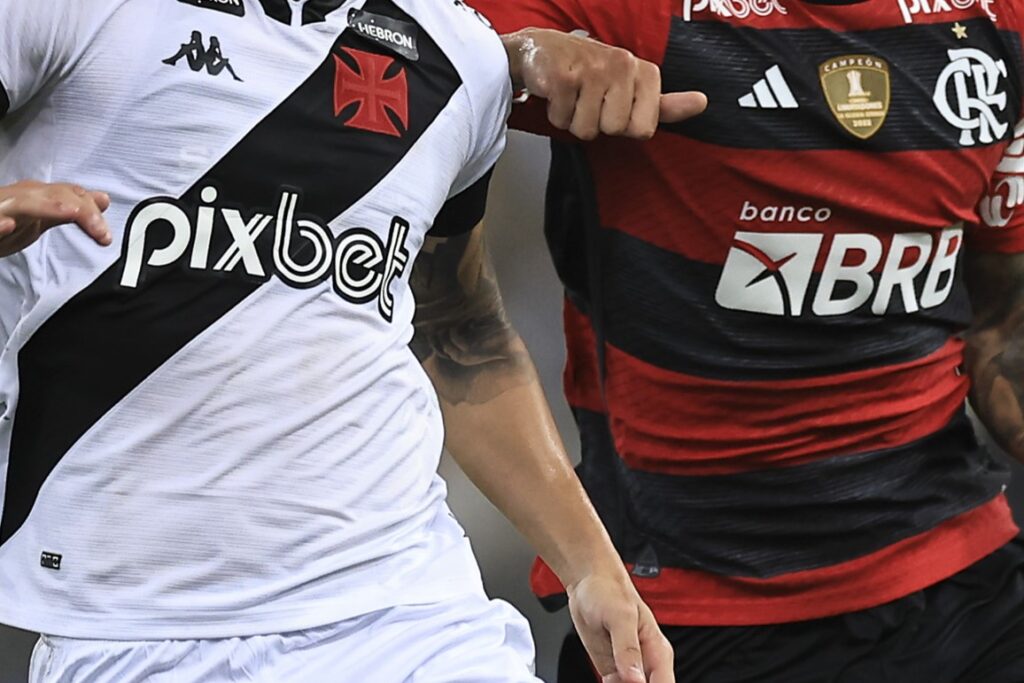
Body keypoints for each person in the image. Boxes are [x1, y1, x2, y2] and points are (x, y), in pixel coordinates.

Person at [0, 1, 705, 681]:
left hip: (406, 607)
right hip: (130, 625)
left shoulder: (456, 55)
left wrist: (591, 566)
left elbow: (456, 324)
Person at [470, 0, 1024, 680]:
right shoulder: (629, 13)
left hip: (962, 586)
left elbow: (1005, 324)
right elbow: (394, 52)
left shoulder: (1002, 22)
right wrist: (525, 54)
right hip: (686, 612)